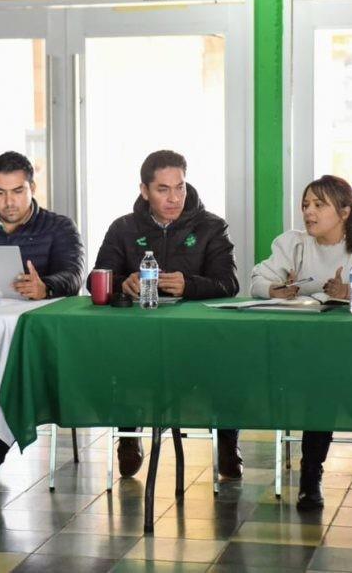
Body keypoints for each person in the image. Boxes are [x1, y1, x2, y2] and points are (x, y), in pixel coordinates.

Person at [251, 174, 352, 511]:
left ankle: (311, 478)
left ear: (345, 211)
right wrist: (275, 290)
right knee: (325, 375)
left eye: (319, 205)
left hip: (346, 351)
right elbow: (257, 279)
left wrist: (348, 292)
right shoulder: (293, 243)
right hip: (298, 350)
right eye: (306, 205)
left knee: (324, 381)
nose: (309, 212)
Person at [93, 150, 241, 481]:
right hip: (139, 336)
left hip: (198, 335)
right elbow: (96, 280)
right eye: (163, 189)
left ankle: (228, 442)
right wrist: (123, 283)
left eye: (180, 187)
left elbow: (229, 283)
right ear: (144, 191)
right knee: (120, 358)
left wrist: (190, 285)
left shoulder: (211, 227)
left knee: (231, 357)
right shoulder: (124, 228)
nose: (174, 198)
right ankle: (128, 438)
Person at [0, 151, 85, 497]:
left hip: (34, 335)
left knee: (15, 382)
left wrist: (46, 286)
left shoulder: (59, 226)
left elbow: (73, 276)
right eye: (0, 193)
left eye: (18, 191)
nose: (9, 202)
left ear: (32, 187)